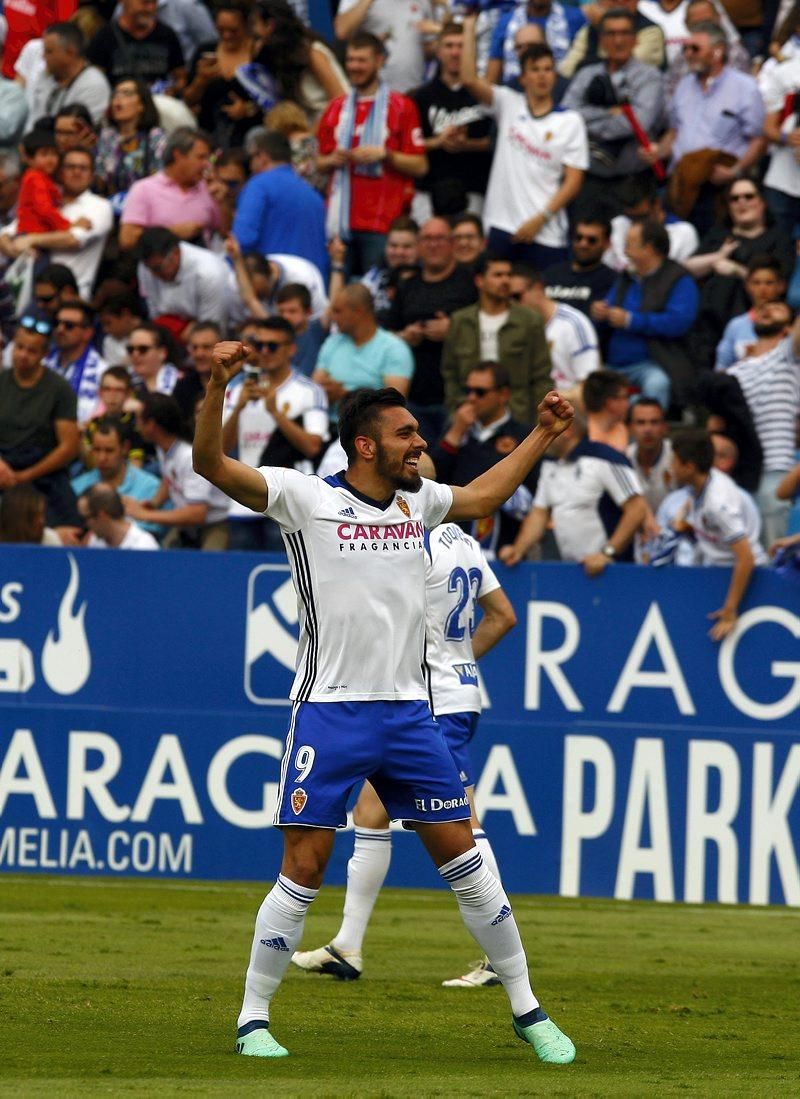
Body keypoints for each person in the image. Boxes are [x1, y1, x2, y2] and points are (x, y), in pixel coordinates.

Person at [193, 342, 576, 1062]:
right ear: (366, 444)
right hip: (330, 712)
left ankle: (528, 1007)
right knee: (303, 866)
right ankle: (253, 1017)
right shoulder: (304, 497)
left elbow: (486, 496)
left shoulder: (418, 503)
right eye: (406, 434)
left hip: (410, 715)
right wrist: (216, 386)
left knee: (464, 856)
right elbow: (210, 467)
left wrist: (544, 433)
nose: (420, 444)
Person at [292, 517, 518, 987]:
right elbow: (504, 615)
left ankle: (499, 956)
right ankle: (347, 947)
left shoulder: (412, 541)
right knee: (371, 813)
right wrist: (460, 661)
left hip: (427, 701)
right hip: (459, 693)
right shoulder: (467, 543)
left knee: (463, 822)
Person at [461, 22, 587, 269]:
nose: (543, 75)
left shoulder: (571, 121)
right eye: (536, 69)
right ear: (523, 77)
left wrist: (541, 219)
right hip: (501, 224)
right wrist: (468, 27)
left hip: (546, 232)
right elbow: (468, 79)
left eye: (548, 69)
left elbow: (573, 181)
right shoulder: (508, 103)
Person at [317, 33, 428, 278]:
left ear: (379, 61)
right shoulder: (336, 108)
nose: (354, 67)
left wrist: (386, 155)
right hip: (340, 223)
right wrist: (332, 160)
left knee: (376, 293)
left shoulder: (401, 106)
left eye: (362, 60)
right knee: (340, 296)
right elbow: (319, 163)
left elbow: (420, 166)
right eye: (351, 60)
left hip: (383, 223)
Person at [643, 22, 764, 230]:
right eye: (685, 48)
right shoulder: (684, 86)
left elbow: (758, 140)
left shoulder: (745, 88)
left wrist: (735, 171)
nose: (688, 54)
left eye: (695, 48)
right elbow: (674, 132)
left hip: (718, 187)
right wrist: (658, 151)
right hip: (680, 184)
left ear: (719, 51)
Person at [223, 316, 329, 550]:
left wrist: (276, 413)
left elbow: (312, 446)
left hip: (288, 499)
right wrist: (239, 408)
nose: (264, 352)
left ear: (291, 349)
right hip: (244, 499)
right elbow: (222, 449)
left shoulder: (310, 391)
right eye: (259, 345)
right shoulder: (237, 389)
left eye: (272, 346)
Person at [499, 407, 646, 572]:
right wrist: (518, 550)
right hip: (575, 571)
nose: (540, 435)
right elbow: (539, 513)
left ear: (566, 430)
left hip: (616, 570)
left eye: (545, 428)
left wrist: (607, 554)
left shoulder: (606, 458)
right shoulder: (550, 464)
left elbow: (637, 509)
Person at [430, 362, 540, 558]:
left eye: (480, 392)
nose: (471, 398)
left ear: (503, 395)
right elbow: (432, 478)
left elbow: (533, 494)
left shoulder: (523, 435)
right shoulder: (455, 431)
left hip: (505, 548)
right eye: (468, 390)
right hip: (453, 545)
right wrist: (456, 432)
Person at [684, 180, 793, 370]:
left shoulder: (779, 238)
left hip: (756, 323)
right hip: (709, 325)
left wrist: (736, 270)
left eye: (748, 196)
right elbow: (686, 268)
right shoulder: (719, 235)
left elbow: (779, 284)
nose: (741, 202)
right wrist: (716, 257)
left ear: (762, 202)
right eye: (734, 199)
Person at [592, 219, 700, 410]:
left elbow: (678, 322)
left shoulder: (680, 279)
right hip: (613, 365)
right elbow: (609, 308)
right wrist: (600, 312)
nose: (624, 252)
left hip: (653, 364)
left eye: (629, 246)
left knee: (657, 384)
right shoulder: (626, 278)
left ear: (648, 248)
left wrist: (632, 321)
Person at [386, 217, 478, 441]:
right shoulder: (408, 285)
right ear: (418, 244)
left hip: (459, 396)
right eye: (427, 239)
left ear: (452, 243)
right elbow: (385, 335)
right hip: (414, 395)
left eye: (440, 238)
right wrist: (405, 336)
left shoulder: (470, 283)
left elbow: (489, 328)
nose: (433, 245)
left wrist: (454, 330)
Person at [561, 9, 664, 206]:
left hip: (632, 179)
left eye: (625, 33)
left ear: (636, 39)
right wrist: (609, 113)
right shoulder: (587, 74)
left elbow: (637, 124)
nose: (618, 41)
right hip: (589, 178)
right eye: (611, 33)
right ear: (602, 40)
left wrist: (587, 123)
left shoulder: (650, 77)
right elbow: (567, 114)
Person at [670, 429, 766, 639]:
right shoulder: (702, 484)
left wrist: (730, 610)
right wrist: (687, 526)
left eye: (674, 461)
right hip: (716, 571)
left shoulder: (718, 503)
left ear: (689, 467)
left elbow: (746, 557)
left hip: (744, 578)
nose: (671, 467)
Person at [441, 254, 552, 424]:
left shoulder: (530, 321)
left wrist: (536, 419)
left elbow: (541, 375)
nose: (506, 280)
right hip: (469, 413)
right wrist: (456, 407)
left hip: (517, 414)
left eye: (509, 275)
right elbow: (450, 372)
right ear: (479, 281)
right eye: (498, 275)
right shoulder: (460, 321)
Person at [726, 301, 799, 545]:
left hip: (774, 468)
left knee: (772, 550)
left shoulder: (787, 357)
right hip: (740, 472)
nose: (768, 309)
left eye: (778, 309)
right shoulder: (733, 372)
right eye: (764, 308)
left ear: (788, 329)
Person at [0, 146, 112, 298]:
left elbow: (73, 240)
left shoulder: (100, 205)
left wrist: (30, 239)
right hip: (27, 291)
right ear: (60, 172)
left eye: (83, 168)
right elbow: (6, 233)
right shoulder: (48, 200)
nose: (76, 172)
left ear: (92, 175)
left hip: (68, 299)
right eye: (70, 167)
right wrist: (13, 249)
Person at [0, 316, 80, 525]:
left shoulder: (59, 389)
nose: (23, 355)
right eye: (19, 347)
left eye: (31, 351)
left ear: (44, 354)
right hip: (3, 467)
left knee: (70, 525)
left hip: (44, 472)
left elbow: (69, 447)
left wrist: (26, 476)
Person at [411, 22, 492, 224]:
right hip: (429, 190)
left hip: (474, 189)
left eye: (461, 46)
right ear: (438, 51)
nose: (455, 53)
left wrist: (468, 144)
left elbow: (498, 142)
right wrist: (438, 142)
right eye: (449, 46)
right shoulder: (420, 97)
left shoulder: (485, 95)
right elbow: (407, 146)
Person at [126, 392, 229, 548]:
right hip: (187, 524)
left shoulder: (188, 457)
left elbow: (197, 513)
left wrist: (146, 515)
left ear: (151, 424)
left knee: (210, 567)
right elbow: (170, 479)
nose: (136, 425)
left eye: (139, 420)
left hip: (214, 523)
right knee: (166, 558)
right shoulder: (164, 448)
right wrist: (154, 503)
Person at [233, 130, 327, 275]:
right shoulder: (313, 195)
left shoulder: (258, 186)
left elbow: (242, 240)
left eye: (252, 158)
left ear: (262, 157)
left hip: (275, 284)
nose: (250, 165)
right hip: (313, 285)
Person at [119, 127, 220, 252]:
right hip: (158, 268)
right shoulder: (144, 189)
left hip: (204, 267)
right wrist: (173, 232)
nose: (206, 164)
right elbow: (127, 239)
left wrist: (224, 201)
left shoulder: (208, 188)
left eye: (208, 159)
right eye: (200, 157)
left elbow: (226, 232)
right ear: (178, 155)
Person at [248, 0, 348, 126]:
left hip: (331, 128)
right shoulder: (278, 58)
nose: (252, 31)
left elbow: (340, 98)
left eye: (254, 24)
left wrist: (314, 134)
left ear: (270, 25)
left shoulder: (312, 52)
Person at [509, 265, 600, 400]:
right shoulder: (513, 325)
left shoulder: (572, 324)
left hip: (567, 406)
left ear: (538, 288)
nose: (512, 304)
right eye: (507, 299)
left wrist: (548, 397)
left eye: (516, 296)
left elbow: (588, 387)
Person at [313, 285, 414, 405]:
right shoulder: (332, 342)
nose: (333, 317)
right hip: (327, 422)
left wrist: (345, 395)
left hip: (371, 424)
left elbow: (394, 404)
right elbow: (315, 388)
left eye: (338, 311)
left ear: (358, 312)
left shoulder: (394, 349)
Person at [72, 417, 161, 532]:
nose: (101, 458)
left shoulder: (151, 488)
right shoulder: (77, 488)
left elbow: (156, 532)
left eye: (109, 450)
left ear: (125, 448)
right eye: (96, 450)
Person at [137, 226, 232, 332]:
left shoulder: (209, 272)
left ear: (176, 253)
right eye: (149, 269)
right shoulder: (147, 267)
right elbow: (156, 317)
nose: (153, 275)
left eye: (158, 268)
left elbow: (212, 331)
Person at [603, 173, 699, 273]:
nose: (637, 222)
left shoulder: (684, 232)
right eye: (632, 217)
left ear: (657, 204)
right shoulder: (619, 224)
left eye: (643, 216)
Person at [95, 78, 166, 210]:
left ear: (141, 105)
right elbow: (100, 181)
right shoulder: (107, 136)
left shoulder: (155, 136)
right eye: (115, 94)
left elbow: (161, 179)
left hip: (148, 207)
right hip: (111, 206)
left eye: (126, 94)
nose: (117, 100)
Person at [86, 0, 186, 94]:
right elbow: (95, 80)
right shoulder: (105, 36)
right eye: (144, 2)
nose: (150, 9)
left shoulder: (167, 35)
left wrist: (172, 90)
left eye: (154, 3)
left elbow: (181, 77)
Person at [333, 0, 433, 93]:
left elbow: (430, 46)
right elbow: (342, 31)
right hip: (372, 91)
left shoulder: (424, 1)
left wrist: (441, 27)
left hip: (413, 88)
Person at [29, 22, 110, 127]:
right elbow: (33, 120)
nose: (43, 56)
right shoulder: (46, 75)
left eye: (49, 51)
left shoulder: (94, 85)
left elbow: (75, 133)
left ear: (70, 52)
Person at [226, 239, 329, 322]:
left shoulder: (304, 277)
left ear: (272, 273)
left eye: (261, 294)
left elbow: (320, 321)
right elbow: (239, 323)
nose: (258, 299)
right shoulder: (235, 283)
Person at [715, 256, 787, 371]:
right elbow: (722, 369)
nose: (762, 289)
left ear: (781, 286)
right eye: (756, 283)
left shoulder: (792, 327)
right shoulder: (735, 326)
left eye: (769, 283)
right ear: (747, 286)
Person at [559, 0, 665, 78]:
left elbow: (625, 68)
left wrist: (603, 24)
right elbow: (567, 70)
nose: (619, 1)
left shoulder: (651, 31)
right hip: (587, 96)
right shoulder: (589, 30)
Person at [16, 129, 92, 236]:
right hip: (31, 235)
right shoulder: (35, 178)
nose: (51, 159)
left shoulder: (42, 178)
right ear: (29, 159)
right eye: (44, 154)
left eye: (54, 154)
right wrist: (69, 226)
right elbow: (45, 209)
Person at [45, 299, 109, 424]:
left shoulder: (102, 372)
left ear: (87, 333)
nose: (60, 329)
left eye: (69, 325)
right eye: (57, 323)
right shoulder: (41, 365)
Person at [543, 213, 616, 318]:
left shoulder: (612, 281)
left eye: (591, 240)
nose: (583, 244)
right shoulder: (551, 274)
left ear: (607, 244)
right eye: (578, 237)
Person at [626, 397, 675, 514]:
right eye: (640, 423)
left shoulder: (678, 457)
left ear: (664, 427)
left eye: (654, 422)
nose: (648, 429)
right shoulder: (623, 459)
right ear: (630, 428)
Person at [81, 481, 160, 549]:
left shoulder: (144, 546)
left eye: (85, 518)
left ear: (102, 516)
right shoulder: (93, 541)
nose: (85, 525)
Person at [275, 283, 326, 378]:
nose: (285, 316)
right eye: (281, 311)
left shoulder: (317, 329)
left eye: (292, 311)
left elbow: (335, 302)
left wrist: (337, 270)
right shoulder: (273, 338)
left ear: (309, 312)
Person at [126, 321, 182, 398]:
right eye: (130, 349)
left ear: (162, 353)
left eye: (143, 349)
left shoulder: (181, 384)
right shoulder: (122, 382)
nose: (135, 355)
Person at [583, 368, 630, 451]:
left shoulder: (621, 429)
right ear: (610, 403)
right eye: (625, 397)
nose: (628, 403)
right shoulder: (582, 434)